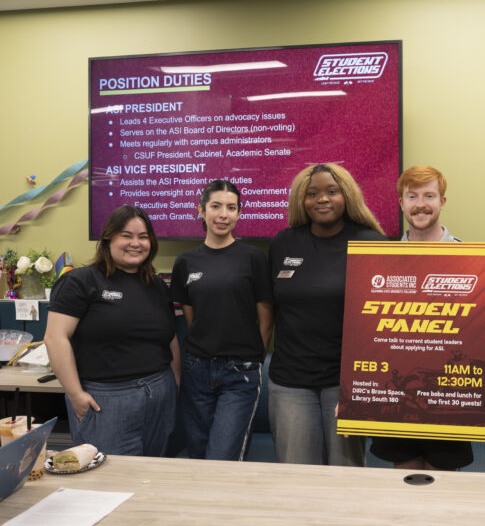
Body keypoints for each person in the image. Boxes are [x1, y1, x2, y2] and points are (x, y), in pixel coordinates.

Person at [265, 163, 385, 466]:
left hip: (346, 384)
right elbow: (271, 305)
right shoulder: (283, 242)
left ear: (347, 196)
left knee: (347, 479)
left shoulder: (372, 243)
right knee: (297, 477)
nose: (322, 199)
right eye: (313, 193)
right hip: (291, 382)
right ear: (300, 201)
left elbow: (384, 321)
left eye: (332, 191)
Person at [45, 205, 179, 456]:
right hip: (106, 400)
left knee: (154, 476)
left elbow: (170, 338)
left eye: (143, 236)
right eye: (126, 236)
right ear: (108, 239)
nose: (135, 243)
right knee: (107, 483)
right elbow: (55, 337)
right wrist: (75, 394)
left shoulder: (157, 285)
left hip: (160, 393)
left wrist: (176, 382)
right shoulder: (80, 281)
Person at [369, 165, 473, 470]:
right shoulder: (379, 262)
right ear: (401, 203)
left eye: (429, 195)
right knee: (404, 489)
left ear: (442, 201)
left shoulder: (470, 260)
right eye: (412, 196)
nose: (420, 204)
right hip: (398, 396)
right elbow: (369, 333)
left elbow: (480, 336)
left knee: (442, 493)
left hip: (448, 397)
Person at [170, 179, 271, 460]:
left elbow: (265, 312)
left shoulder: (252, 258)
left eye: (231, 207)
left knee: (222, 457)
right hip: (196, 369)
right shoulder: (185, 262)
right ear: (201, 210)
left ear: (239, 213)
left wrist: (257, 356)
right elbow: (191, 317)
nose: (223, 214)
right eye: (215, 206)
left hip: (240, 371)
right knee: (198, 453)